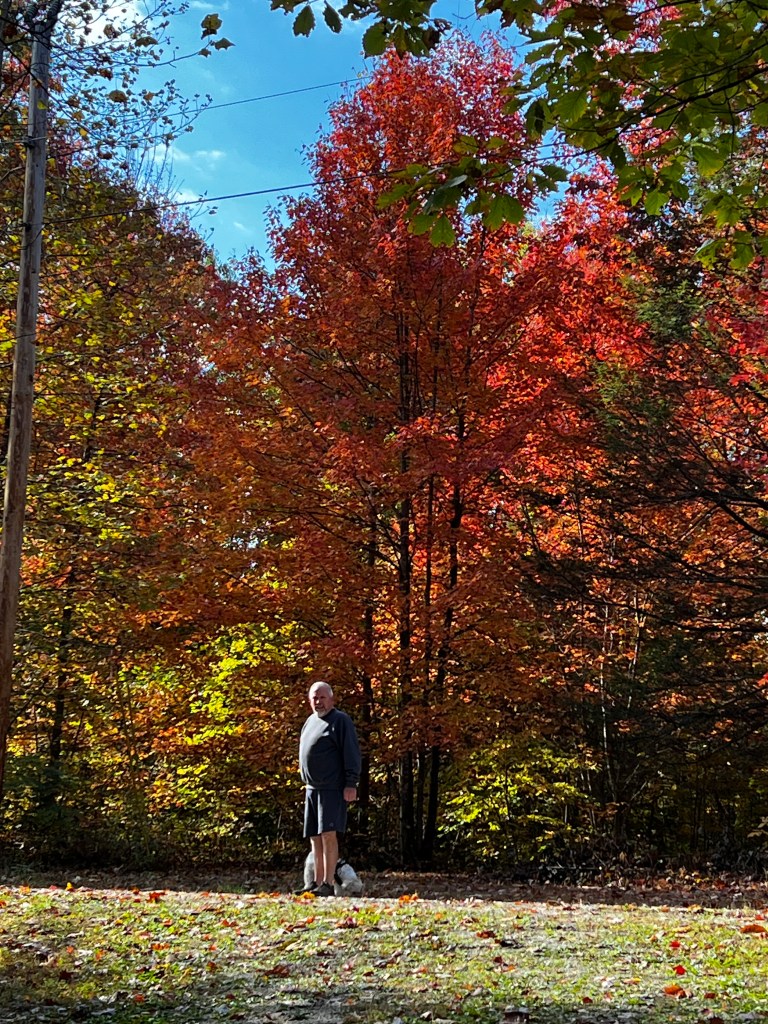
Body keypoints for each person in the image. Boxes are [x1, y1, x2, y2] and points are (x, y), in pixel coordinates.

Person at [297, 680, 361, 897]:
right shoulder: (310, 721)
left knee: (328, 835)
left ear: (332, 699)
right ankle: (314, 883)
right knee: (314, 836)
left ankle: (327, 882)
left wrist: (351, 783)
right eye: (314, 697)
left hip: (332, 788)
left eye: (322, 697)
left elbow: (351, 753)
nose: (318, 702)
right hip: (312, 789)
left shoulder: (340, 721)